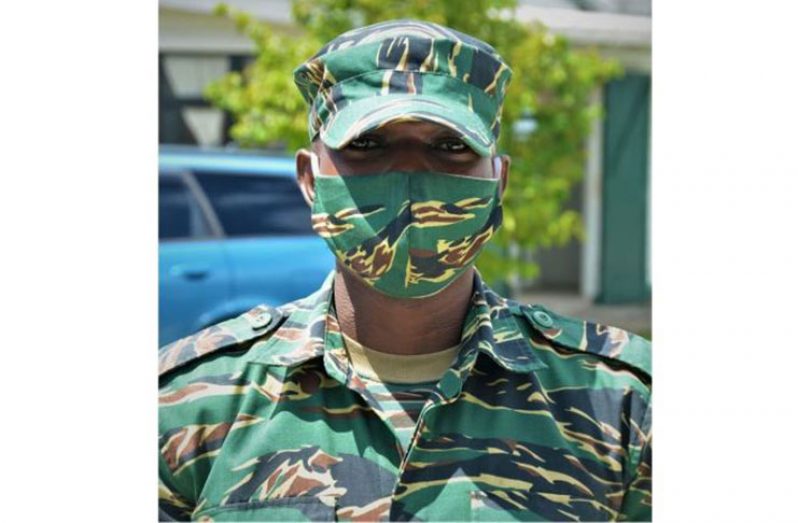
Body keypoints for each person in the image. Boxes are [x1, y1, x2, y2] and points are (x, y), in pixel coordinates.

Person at [158, 19, 651, 522]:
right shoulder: (188, 406)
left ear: (498, 182)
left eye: (451, 147)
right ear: (310, 179)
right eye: (368, 146)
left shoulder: (623, 405)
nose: (412, 173)